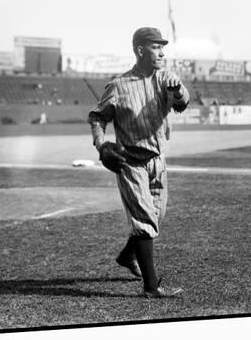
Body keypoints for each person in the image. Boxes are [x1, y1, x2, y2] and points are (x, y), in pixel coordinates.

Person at [87, 27, 190, 298]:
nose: (162, 52)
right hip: (130, 161)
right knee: (145, 221)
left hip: (158, 161)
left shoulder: (166, 77)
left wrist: (178, 93)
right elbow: (98, 117)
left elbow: (182, 102)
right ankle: (151, 286)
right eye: (156, 46)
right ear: (141, 50)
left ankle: (126, 256)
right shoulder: (119, 86)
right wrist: (102, 146)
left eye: (162, 46)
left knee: (155, 219)